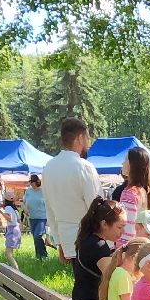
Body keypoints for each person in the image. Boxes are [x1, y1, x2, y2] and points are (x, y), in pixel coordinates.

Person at [41, 118, 101, 282]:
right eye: (87, 138)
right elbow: (96, 207)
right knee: (94, 290)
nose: (88, 142)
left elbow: (49, 209)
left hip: (67, 238)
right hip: (90, 239)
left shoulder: (48, 168)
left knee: (80, 284)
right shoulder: (84, 167)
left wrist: (59, 241)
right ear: (80, 138)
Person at [72, 197, 128, 300]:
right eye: (119, 227)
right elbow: (115, 277)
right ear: (104, 224)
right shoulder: (98, 246)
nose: (123, 232)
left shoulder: (89, 239)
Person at [116, 145, 150, 240]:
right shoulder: (147, 191)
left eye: (126, 160)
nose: (123, 163)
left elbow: (127, 230)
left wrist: (121, 251)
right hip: (146, 245)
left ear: (133, 165)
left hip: (132, 249)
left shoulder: (130, 193)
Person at [23, 174, 50, 259]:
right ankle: (38, 256)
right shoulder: (28, 191)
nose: (31, 184)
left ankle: (44, 255)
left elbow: (48, 205)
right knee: (35, 239)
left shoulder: (44, 191)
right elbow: (23, 203)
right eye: (30, 182)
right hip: (32, 218)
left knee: (37, 236)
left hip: (42, 217)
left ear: (36, 181)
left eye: (32, 182)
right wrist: (25, 209)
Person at [0, 196, 22, 263]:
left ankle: (16, 270)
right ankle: (14, 269)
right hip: (16, 230)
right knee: (10, 252)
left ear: (6, 201)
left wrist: (1, 212)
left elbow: (9, 218)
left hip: (12, 230)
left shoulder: (8, 208)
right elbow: (19, 221)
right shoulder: (14, 209)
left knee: (7, 252)